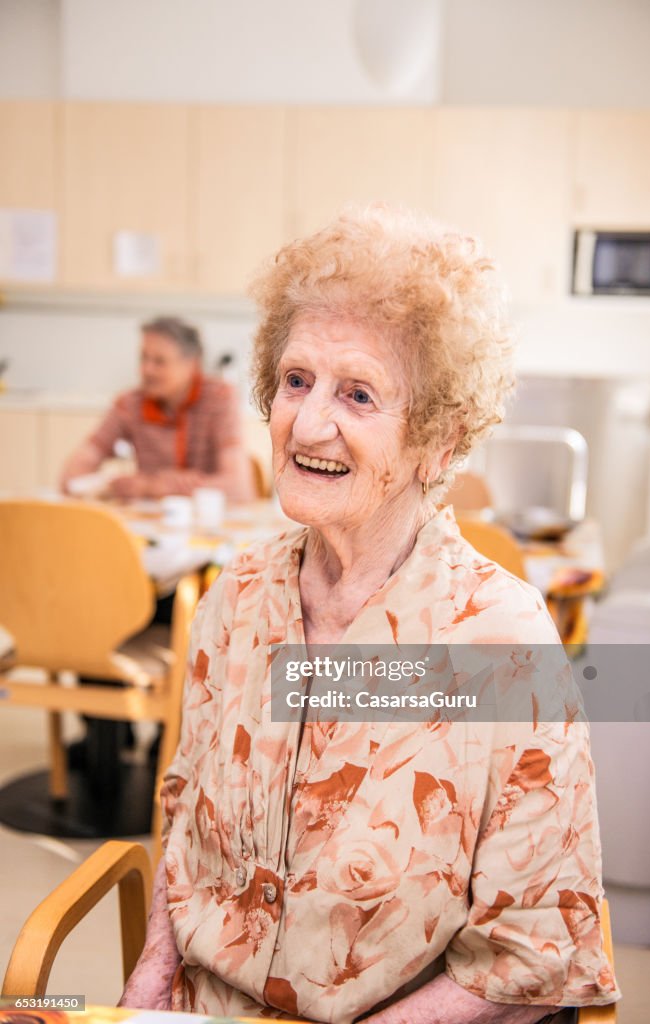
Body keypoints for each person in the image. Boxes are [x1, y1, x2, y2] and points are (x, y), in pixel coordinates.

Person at [120, 206, 620, 1022]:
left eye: (357, 394)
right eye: (294, 381)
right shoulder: (232, 602)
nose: (308, 423)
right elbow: (183, 823)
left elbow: (529, 952)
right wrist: (149, 979)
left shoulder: (496, 637)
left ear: (439, 440)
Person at [60, 315, 255, 501]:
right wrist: (109, 484)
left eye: (159, 361)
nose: (147, 369)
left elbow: (239, 489)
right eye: (143, 358)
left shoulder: (220, 398)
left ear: (192, 364)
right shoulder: (129, 405)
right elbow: (70, 478)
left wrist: (154, 487)